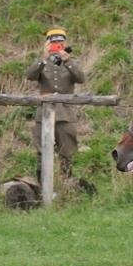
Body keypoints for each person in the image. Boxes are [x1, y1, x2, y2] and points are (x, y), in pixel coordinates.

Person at [25, 29, 86, 179]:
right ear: (47, 44)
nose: (57, 44)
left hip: (65, 113)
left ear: (65, 43)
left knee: (67, 151)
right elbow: (30, 76)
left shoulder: (71, 61)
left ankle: (66, 182)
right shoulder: (42, 61)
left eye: (60, 42)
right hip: (44, 113)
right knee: (42, 150)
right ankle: (42, 183)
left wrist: (68, 62)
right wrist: (44, 59)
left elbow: (81, 79)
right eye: (53, 42)